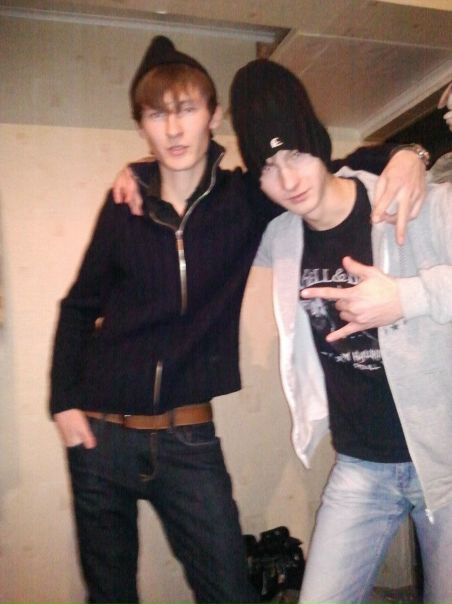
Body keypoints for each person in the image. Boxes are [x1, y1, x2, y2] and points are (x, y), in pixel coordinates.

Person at [50, 35, 428, 604]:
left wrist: (407, 153)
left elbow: (324, 166)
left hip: (187, 439)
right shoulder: (125, 205)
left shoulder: (246, 200)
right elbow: (79, 306)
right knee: (109, 594)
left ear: (213, 116)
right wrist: (63, 400)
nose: (174, 129)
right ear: (142, 126)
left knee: (230, 590)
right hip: (100, 436)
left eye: (186, 109)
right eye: (157, 114)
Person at [229, 58, 452, 604]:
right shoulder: (281, 238)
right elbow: (206, 215)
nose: (288, 180)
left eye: (296, 154)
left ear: (318, 143)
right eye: (268, 166)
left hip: (445, 462)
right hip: (360, 466)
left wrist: (405, 297)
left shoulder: (414, 201)